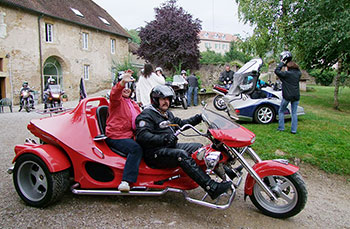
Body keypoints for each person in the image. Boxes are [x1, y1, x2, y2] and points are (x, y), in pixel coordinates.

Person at [135, 85, 232, 200]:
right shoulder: (147, 115)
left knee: (199, 148)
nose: (166, 102)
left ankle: (227, 172)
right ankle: (211, 187)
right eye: (163, 99)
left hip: (168, 147)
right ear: (155, 100)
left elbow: (180, 123)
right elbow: (142, 135)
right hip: (154, 153)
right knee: (181, 155)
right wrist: (164, 139)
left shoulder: (167, 114)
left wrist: (198, 118)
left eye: (168, 99)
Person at [105, 70, 143, 191]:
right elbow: (114, 93)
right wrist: (122, 83)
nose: (126, 89)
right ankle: (126, 181)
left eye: (129, 87)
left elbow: (141, 118)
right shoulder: (116, 101)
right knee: (135, 149)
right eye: (124, 87)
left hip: (129, 135)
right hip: (116, 136)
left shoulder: (133, 104)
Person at [274, 51, 301, 134]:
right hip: (296, 96)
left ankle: (281, 128)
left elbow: (276, 71)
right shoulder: (298, 73)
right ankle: (294, 130)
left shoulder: (287, 74)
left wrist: (282, 63)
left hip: (287, 95)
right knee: (294, 113)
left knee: (281, 111)